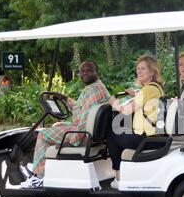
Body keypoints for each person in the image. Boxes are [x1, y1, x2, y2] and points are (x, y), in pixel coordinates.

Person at [20, 60, 111, 188]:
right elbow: (81, 109)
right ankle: (45, 167)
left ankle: (38, 176)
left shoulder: (92, 91)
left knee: (43, 135)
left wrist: (73, 142)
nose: (85, 73)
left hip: (84, 136)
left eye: (89, 70)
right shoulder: (98, 87)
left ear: (97, 72)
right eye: (83, 71)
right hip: (91, 133)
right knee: (57, 126)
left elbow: (84, 120)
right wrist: (65, 98)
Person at [107, 55, 164, 189]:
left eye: (143, 69)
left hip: (144, 138)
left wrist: (113, 103)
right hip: (154, 135)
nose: (139, 71)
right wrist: (135, 95)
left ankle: (118, 178)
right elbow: (145, 102)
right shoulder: (156, 88)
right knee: (122, 132)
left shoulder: (147, 89)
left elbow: (126, 110)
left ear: (152, 72)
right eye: (138, 69)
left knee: (112, 135)